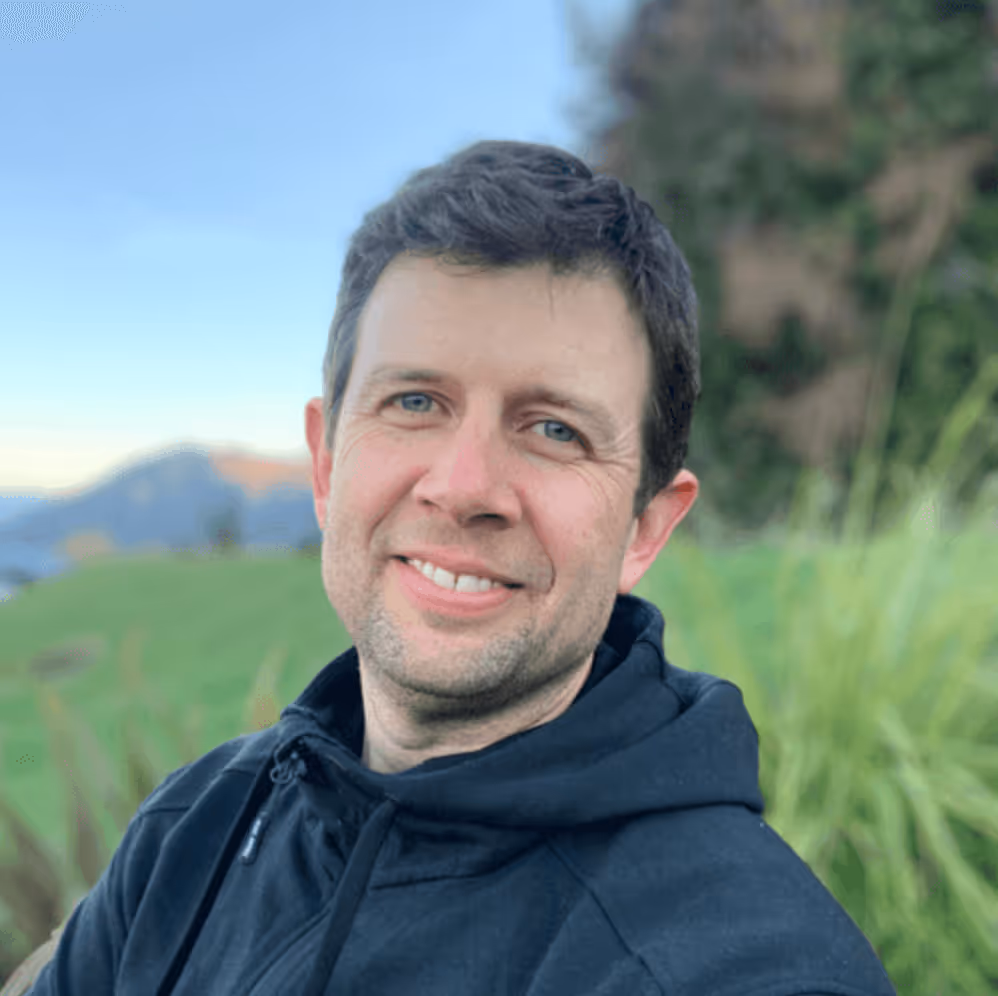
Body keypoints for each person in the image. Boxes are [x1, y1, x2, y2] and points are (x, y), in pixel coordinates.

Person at [26, 140, 897, 995]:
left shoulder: (744, 964)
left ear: (645, 529)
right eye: (414, 402)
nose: (464, 486)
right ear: (327, 465)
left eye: (555, 428)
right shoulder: (197, 826)